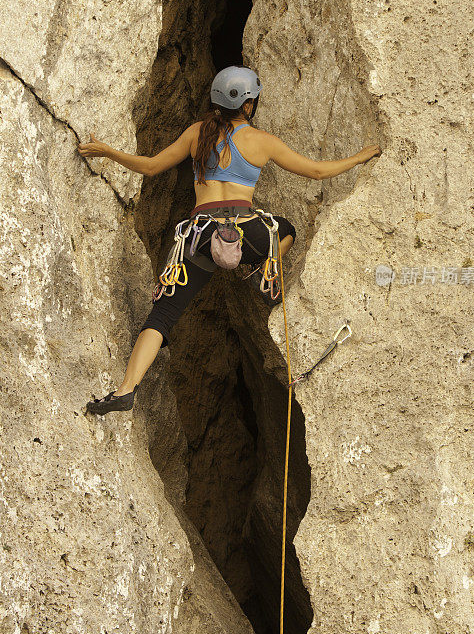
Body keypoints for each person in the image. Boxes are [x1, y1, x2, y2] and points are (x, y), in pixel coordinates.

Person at [78, 65, 381, 415]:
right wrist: (360, 157)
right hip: (246, 234)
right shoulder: (260, 140)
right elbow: (315, 171)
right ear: (249, 105)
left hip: (201, 236)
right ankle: (264, 272)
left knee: (161, 317)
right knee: (286, 231)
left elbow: (149, 167)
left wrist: (108, 151)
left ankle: (126, 390)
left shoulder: (196, 134)